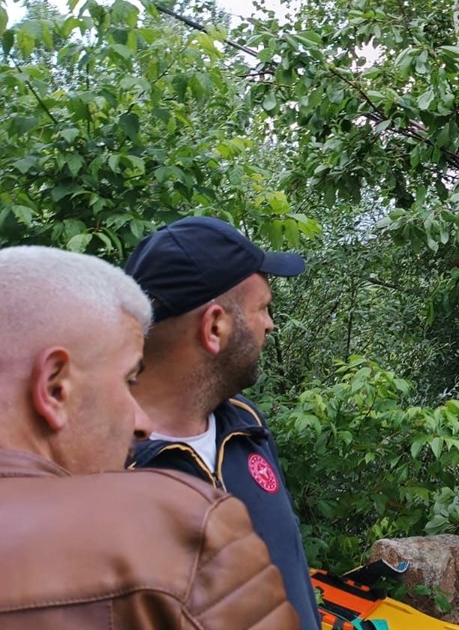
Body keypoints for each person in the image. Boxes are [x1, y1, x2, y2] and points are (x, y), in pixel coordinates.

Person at [0, 246, 296, 627]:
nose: (138, 422)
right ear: (55, 387)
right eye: (128, 380)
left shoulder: (248, 423)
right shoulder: (188, 524)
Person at [124, 216, 320, 630]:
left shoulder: (245, 424)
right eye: (262, 308)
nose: (270, 324)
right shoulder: (106, 469)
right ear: (215, 326)